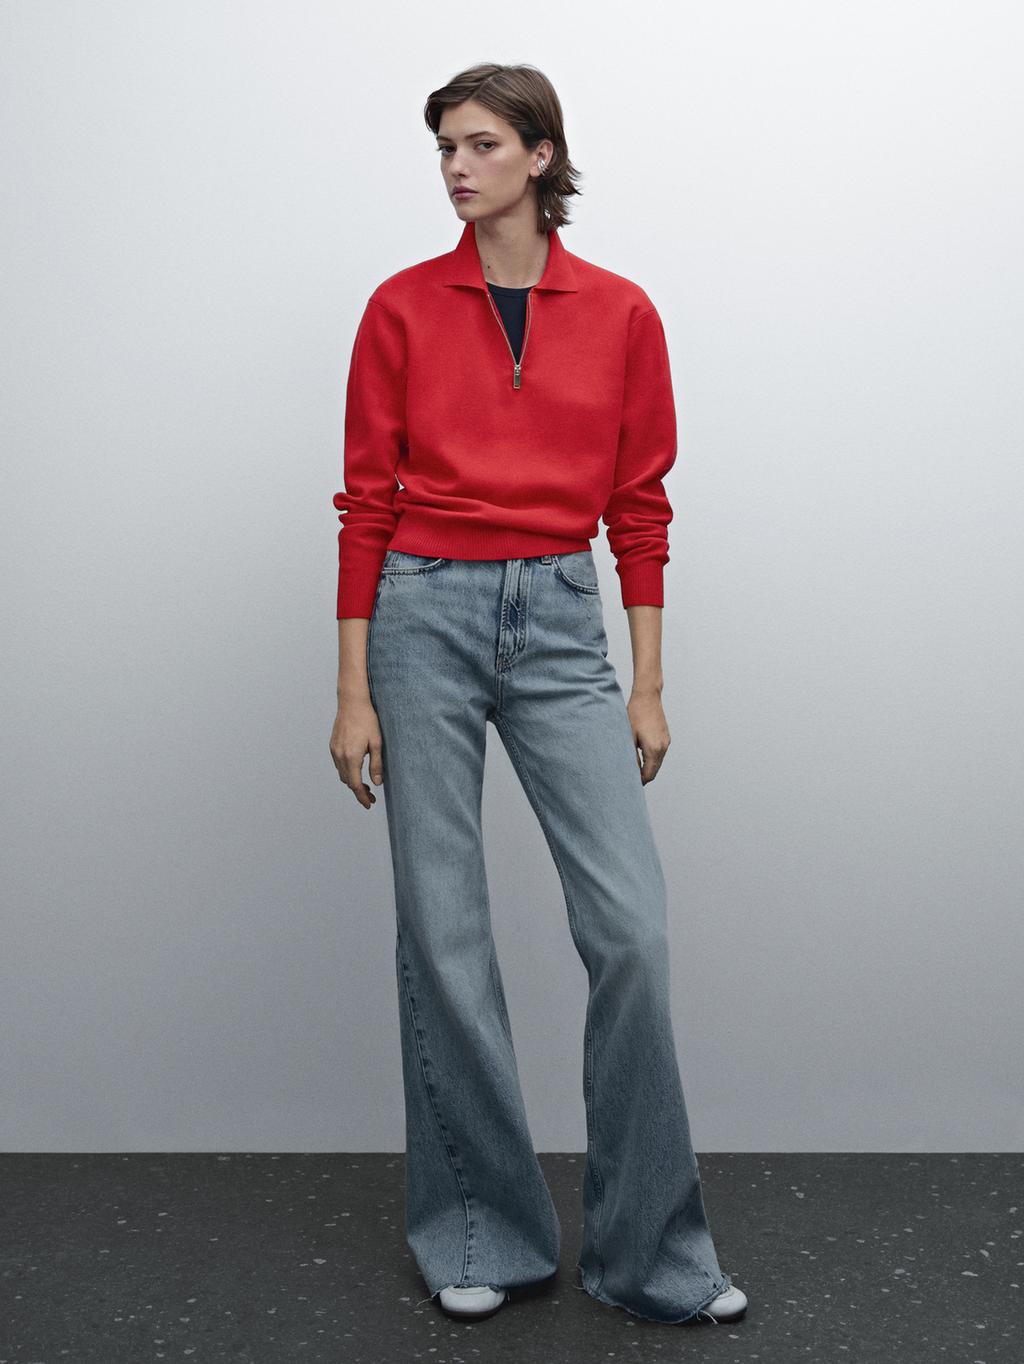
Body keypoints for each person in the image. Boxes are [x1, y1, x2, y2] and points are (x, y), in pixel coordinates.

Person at [329, 61, 748, 1328]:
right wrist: (351, 689)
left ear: (539, 154)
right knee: (444, 931)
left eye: (480, 144)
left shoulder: (620, 312)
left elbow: (640, 504)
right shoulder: (401, 307)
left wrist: (648, 682)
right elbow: (365, 502)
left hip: (562, 618)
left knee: (631, 932)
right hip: (421, 615)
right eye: (444, 148)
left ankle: (652, 1255)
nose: (456, 168)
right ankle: (482, 1232)